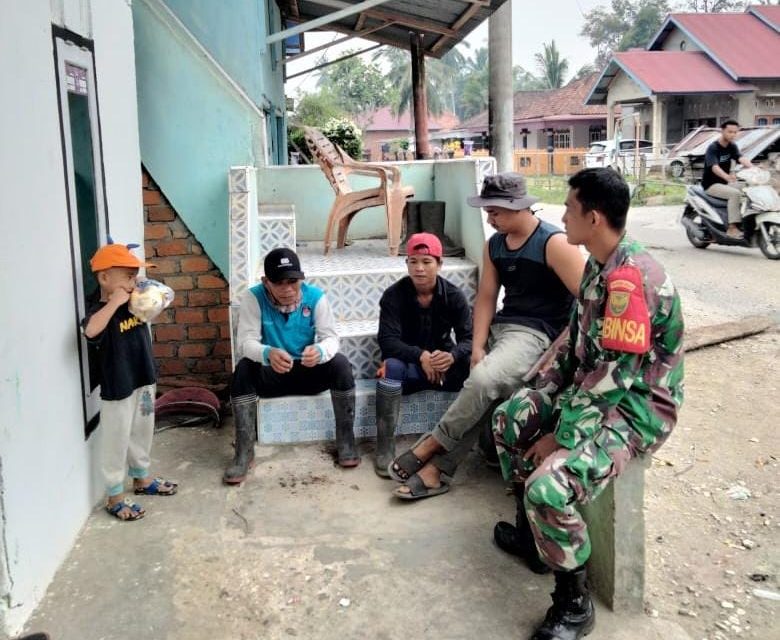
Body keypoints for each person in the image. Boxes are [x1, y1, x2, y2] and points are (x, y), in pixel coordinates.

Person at [492, 167, 684, 640]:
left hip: (636, 409)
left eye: (570, 208)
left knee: (549, 487)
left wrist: (561, 435)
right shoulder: (599, 264)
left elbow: (616, 378)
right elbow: (572, 345)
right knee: (509, 419)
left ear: (594, 218)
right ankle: (535, 541)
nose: (561, 215)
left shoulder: (628, 281)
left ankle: (573, 603)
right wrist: (540, 393)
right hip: (594, 392)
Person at [387, 172, 585, 500]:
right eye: (487, 211)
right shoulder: (495, 245)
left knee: (483, 381)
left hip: (537, 335)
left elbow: (588, 299)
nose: (489, 217)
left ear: (518, 207)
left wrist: (566, 352)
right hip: (502, 330)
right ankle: (439, 470)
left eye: (494, 211)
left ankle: (433, 443)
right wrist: (477, 346)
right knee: (478, 378)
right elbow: (486, 297)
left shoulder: (554, 243)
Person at [226, 247, 359, 484]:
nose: (288, 289)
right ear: (266, 282)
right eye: (279, 283)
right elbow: (246, 343)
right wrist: (267, 353)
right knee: (243, 370)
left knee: (340, 364)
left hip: (308, 372)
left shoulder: (315, 297)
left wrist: (320, 351)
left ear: (301, 279)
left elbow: (331, 338)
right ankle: (244, 452)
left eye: (293, 282)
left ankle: (346, 441)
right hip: (272, 373)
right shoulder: (253, 298)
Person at [82, 242, 178, 522]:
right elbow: (90, 331)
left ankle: (142, 478)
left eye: (135, 275)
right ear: (104, 278)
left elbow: (160, 299)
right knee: (117, 437)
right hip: (118, 385)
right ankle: (114, 496)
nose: (133, 281)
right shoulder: (101, 307)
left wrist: (152, 294)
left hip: (144, 377)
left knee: (142, 429)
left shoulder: (135, 300)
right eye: (127, 276)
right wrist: (113, 302)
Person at [375, 232, 473, 477]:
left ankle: (470, 440)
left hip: (444, 367)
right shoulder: (393, 296)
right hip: (410, 365)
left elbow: (469, 340)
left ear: (439, 264)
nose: (419, 268)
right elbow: (388, 341)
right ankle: (385, 445)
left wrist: (451, 356)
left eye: (427, 262)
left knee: (478, 369)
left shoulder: (454, 296)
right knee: (390, 369)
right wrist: (421, 356)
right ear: (406, 263)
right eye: (413, 261)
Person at [702, 119, 753, 239]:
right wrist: (726, 176)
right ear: (722, 131)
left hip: (726, 183)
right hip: (711, 184)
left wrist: (754, 168)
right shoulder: (713, 148)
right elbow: (714, 167)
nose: (733, 135)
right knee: (734, 194)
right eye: (730, 132)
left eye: (735, 132)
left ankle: (747, 220)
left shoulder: (732, 146)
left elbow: (741, 158)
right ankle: (732, 228)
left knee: (750, 187)